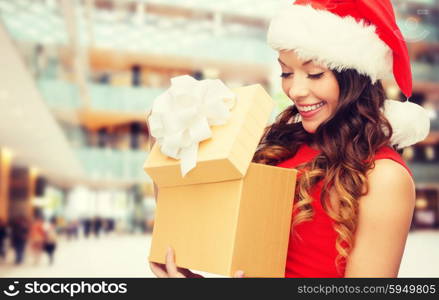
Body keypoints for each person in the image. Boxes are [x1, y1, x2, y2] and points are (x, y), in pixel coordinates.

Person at [150, 0, 429, 278]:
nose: (295, 90)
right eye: (286, 72)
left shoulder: (384, 177)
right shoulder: (280, 146)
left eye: (315, 74)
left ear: (355, 77)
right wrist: (167, 140)